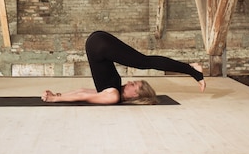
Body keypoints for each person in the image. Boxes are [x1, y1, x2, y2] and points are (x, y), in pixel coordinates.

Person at [42, 30, 205, 105]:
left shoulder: (112, 96)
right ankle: (191, 68)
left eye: (134, 86)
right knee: (144, 61)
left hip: (99, 42)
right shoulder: (113, 92)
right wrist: (56, 97)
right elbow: (84, 94)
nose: (130, 82)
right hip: (99, 44)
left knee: (145, 62)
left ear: (135, 96)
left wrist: (57, 97)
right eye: (134, 83)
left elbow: (83, 93)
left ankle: (192, 69)